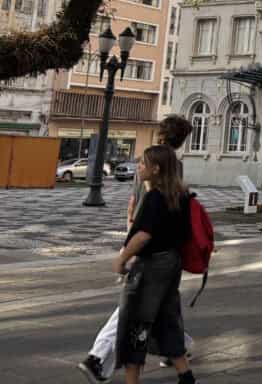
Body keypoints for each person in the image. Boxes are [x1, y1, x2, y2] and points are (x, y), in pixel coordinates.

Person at [79, 116, 194, 384]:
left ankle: (98, 358)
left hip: (147, 241)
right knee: (161, 309)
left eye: (142, 165)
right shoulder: (174, 169)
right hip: (159, 247)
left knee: (134, 310)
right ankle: (180, 357)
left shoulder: (158, 165)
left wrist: (127, 244)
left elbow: (137, 203)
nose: (138, 166)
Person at [113, 144, 197, 384]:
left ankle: (132, 381)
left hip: (150, 266)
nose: (138, 167)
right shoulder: (181, 195)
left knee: (134, 322)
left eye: (142, 163)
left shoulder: (155, 197)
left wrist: (122, 258)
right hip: (171, 263)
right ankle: (185, 375)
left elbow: (143, 235)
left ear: (156, 169)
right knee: (167, 318)